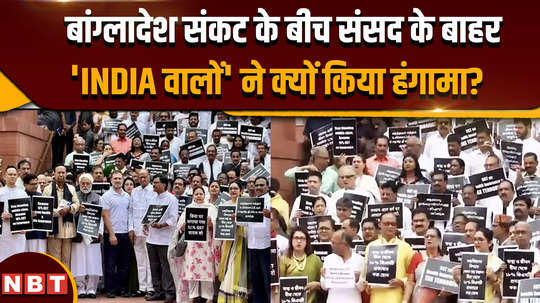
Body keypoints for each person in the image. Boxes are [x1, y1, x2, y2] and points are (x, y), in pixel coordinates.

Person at [178, 186, 216, 303]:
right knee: (192, 270)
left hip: (206, 245)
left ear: (205, 195)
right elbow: (180, 227)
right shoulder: (188, 208)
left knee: (207, 270)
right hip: (192, 245)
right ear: (193, 196)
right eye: (196, 194)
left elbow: (216, 227)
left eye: (201, 194)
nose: (199, 196)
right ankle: (193, 295)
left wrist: (210, 225)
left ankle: (208, 296)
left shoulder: (211, 208)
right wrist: (183, 227)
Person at [364, 212, 413, 303]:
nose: (390, 226)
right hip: (376, 296)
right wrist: (367, 283)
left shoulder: (406, 247)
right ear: (380, 224)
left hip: (396, 296)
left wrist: (402, 281)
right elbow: (367, 273)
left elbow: (411, 277)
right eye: (386, 224)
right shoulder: (371, 246)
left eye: (393, 224)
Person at [145, 174, 178, 303]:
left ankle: (169, 293)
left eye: (156, 182)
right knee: (154, 266)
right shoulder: (151, 197)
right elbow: (147, 214)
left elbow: (173, 219)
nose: (153, 185)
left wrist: (161, 225)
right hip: (151, 238)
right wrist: (145, 223)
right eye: (153, 182)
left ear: (164, 185)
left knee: (166, 267)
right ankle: (157, 291)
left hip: (165, 239)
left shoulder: (172, 199)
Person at [71, 173, 103, 299]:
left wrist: (100, 231)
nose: (85, 185)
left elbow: (101, 216)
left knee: (93, 261)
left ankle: (91, 289)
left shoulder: (98, 198)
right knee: (79, 262)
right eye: (82, 183)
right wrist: (77, 210)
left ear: (91, 184)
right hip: (78, 235)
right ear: (79, 184)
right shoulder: (74, 197)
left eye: (87, 183)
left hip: (92, 234)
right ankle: (80, 288)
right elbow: (68, 213)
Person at [217, 181, 250, 303]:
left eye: (236, 188)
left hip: (241, 243)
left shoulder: (245, 205)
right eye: (231, 188)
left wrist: (238, 223)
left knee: (237, 271)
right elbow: (220, 227)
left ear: (241, 191)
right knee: (227, 270)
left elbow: (249, 226)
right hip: (228, 243)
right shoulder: (225, 205)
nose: (233, 191)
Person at [101, 170, 132, 298]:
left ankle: (122, 288)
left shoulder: (127, 196)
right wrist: (112, 234)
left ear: (123, 179)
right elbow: (106, 216)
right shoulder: (106, 196)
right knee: (110, 263)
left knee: (124, 264)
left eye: (120, 178)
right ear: (111, 179)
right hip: (112, 234)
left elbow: (130, 214)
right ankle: (110, 289)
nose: (118, 180)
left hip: (125, 234)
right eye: (115, 178)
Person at [453, 228, 504, 303]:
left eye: (480, 239)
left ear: (489, 243)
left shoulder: (498, 263)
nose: (477, 242)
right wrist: (457, 279)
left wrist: (494, 278)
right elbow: (466, 288)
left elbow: (501, 294)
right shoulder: (469, 260)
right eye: (475, 239)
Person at [44, 165, 80, 269]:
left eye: (63, 173)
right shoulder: (47, 189)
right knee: (54, 258)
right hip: (53, 230)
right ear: (54, 174)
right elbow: (45, 207)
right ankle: (55, 283)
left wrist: (69, 209)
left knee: (66, 259)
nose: (61, 175)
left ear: (66, 174)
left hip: (68, 229)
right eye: (59, 172)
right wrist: (59, 212)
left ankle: (65, 282)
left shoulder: (71, 188)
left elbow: (77, 204)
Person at [403, 227, 448, 303]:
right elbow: (410, 282)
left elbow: (452, 285)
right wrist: (405, 300)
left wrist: (447, 291)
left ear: (439, 240)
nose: (429, 238)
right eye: (426, 237)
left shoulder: (447, 259)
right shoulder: (417, 256)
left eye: (432, 236)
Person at [129, 169, 155, 298]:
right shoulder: (134, 191)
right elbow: (131, 212)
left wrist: (149, 225)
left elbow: (154, 211)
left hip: (149, 230)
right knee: (140, 260)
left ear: (149, 177)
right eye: (140, 177)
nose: (143, 179)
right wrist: (131, 229)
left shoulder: (154, 191)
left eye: (145, 177)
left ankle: (150, 287)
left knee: (149, 260)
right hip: (136, 230)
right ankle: (142, 287)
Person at [279, 227, 322, 303]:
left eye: (302, 238)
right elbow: (279, 285)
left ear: (307, 241)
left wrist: (317, 285)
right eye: (296, 238)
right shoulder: (283, 259)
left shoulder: (316, 260)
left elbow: (324, 284)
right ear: (291, 240)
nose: (299, 241)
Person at [321, 229, 365, 302]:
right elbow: (324, 287)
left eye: (333, 242)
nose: (331, 244)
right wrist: (325, 277)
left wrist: (357, 280)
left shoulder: (360, 260)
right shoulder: (328, 259)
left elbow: (362, 288)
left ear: (344, 244)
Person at [0, 166, 29, 262]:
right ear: (5, 176)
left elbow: (26, 213)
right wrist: (1, 215)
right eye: (10, 174)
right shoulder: (0, 192)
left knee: (17, 257)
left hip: (18, 232)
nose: (12, 176)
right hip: (3, 230)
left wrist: (26, 225)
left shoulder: (23, 193)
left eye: (14, 174)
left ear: (17, 176)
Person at [23, 174, 47, 253]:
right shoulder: (20, 196)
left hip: (40, 235)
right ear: (25, 185)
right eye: (32, 184)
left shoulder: (42, 196)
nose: (35, 186)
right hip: (25, 235)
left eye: (37, 183)